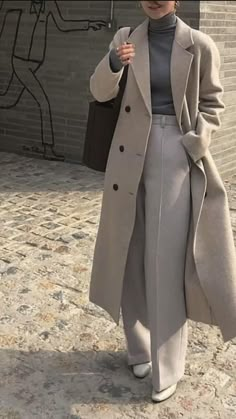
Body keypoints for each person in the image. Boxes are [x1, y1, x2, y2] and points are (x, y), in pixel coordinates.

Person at [89, 0, 236, 403]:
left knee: (165, 261)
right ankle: (138, 349)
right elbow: (99, 91)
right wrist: (113, 63)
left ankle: (167, 365)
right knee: (129, 252)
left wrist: (195, 141)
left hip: (175, 155)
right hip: (126, 155)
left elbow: (213, 104)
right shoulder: (125, 39)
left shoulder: (200, 44)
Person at [0, 0, 105, 160]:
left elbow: (62, 24)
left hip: (34, 64)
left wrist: (89, 24)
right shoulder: (23, 4)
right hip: (20, 62)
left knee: (7, 100)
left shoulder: (49, 5)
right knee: (43, 102)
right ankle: (47, 149)